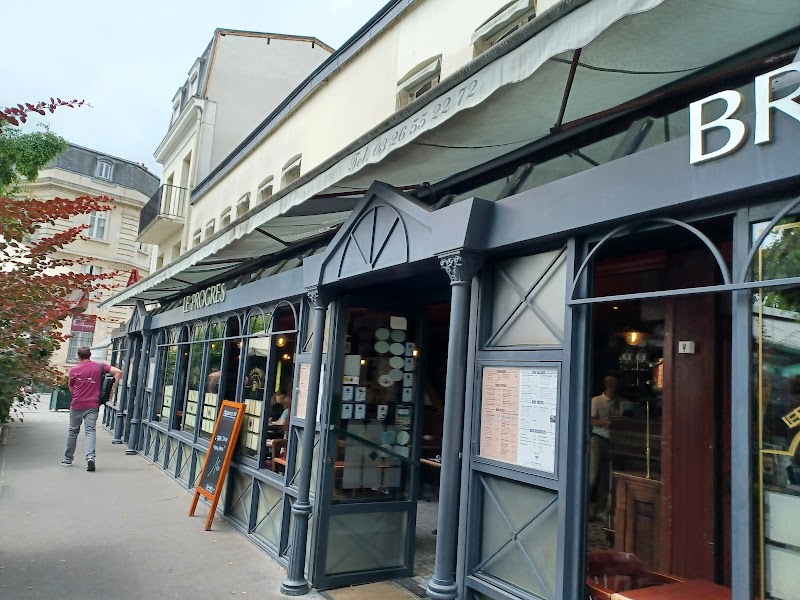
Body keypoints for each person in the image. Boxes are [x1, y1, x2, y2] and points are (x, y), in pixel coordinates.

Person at [62, 347, 122, 471]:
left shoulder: (74, 370)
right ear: (90, 355)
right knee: (90, 431)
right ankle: (90, 457)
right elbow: (118, 372)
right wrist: (113, 388)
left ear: (78, 356)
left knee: (73, 432)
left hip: (77, 405)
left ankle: (68, 459)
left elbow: (71, 388)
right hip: (93, 405)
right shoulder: (100, 367)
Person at [589, 375, 621, 521]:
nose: (612, 386)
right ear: (606, 385)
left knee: (606, 479)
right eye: (610, 383)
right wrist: (608, 422)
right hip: (597, 440)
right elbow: (591, 420)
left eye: (613, 383)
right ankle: (585, 509)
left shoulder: (618, 403)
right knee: (593, 476)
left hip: (613, 443)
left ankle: (600, 510)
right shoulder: (597, 401)